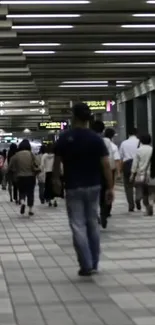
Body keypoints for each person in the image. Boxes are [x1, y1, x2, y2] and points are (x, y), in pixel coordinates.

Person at [53, 103, 114, 276]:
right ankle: (94, 262)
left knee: (78, 224)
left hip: (73, 186)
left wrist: (56, 180)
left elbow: (57, 163)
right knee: (92, 223)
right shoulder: (96, 139)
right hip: (94, 185)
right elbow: (106, 165)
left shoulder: (65, 138)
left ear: (74, 116)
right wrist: (110, 187)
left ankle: (85, 264)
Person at [92, 120, 115, 228]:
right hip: (104, 170)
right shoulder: (106, 141)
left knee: (93, 194)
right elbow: (109, 157)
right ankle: (104, 213)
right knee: (105, 192)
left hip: (92, 171)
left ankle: (95, 214)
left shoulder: (89, 139)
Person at [8, 139, 38, 216]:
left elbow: (10, 166)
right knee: (30, 193)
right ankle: (30, 210)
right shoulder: (31, 154)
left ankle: (22, 202)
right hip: (30, 176)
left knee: (22, 192)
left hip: (20, 177)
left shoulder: (16, 155)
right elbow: (37, 164)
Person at [130, 134, 153, 215]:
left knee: (144, 193)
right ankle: (150, 205)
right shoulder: (152, 149)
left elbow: (135, 164)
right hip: (152, 175)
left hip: (142, 175)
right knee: (152, 192)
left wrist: (132, 174)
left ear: (141, 141)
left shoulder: (139, 150)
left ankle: (146, 207)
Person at [120, 128, 140, 212]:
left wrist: (120, 170)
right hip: (138, 164)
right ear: (136, 134)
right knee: (139, 184)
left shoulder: (124, 143)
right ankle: (138, 198)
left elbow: (121, 156)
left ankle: (131, 205)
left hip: (127, 165)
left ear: (128, 134)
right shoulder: (140, 142)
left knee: (128, 186)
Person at [104, 128, 121, 215]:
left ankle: (102, 207)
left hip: (100, 171)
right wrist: (118, 172)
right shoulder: (114, 146)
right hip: (111, 170)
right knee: (110, 188)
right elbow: (117, 160)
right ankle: (108, 208)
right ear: (112, 136)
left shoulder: (100, 143)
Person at [41, 143, 57, 207]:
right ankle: (55, 200)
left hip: (47, 173)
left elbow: (42, 165)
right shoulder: (56, 155)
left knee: (48, 187)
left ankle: (49, 201)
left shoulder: (44, 155)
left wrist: (42, 171)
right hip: (54, 173)